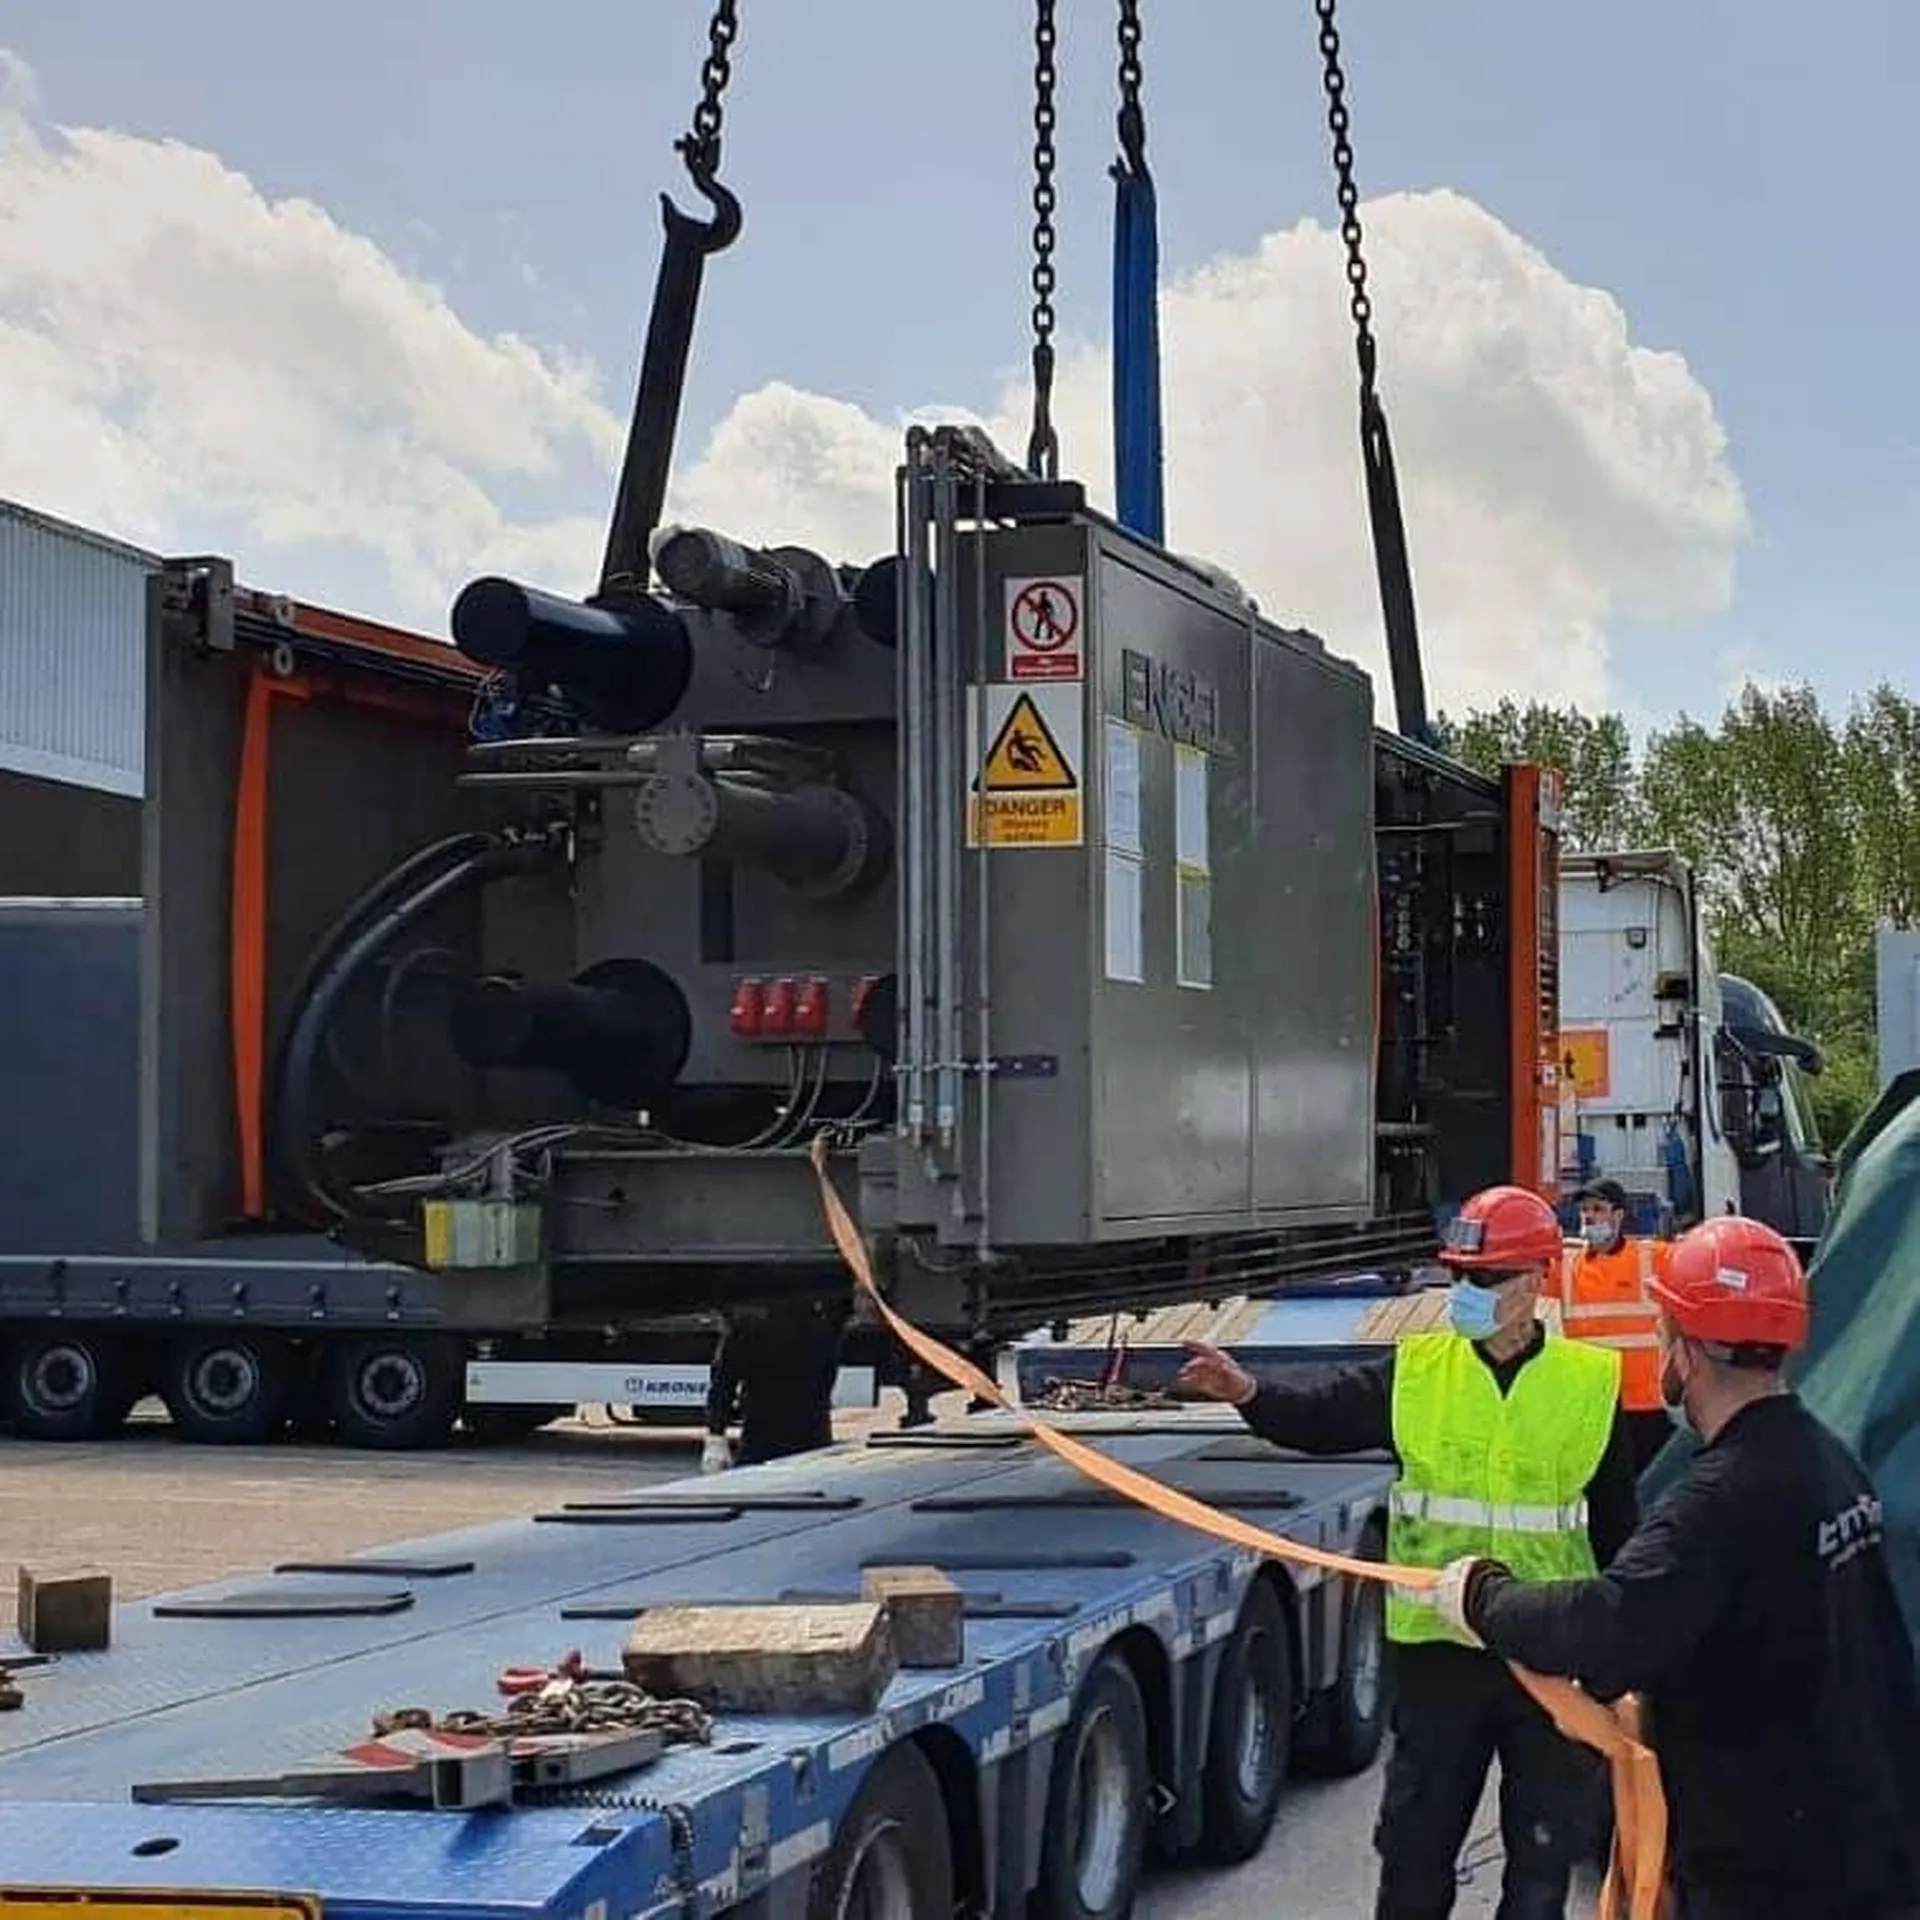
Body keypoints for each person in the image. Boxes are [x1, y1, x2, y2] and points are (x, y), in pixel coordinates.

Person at [1437, 1214, 1920, 1918]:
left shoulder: (1719, 1501)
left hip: (1774, 1876)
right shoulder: (1827, 1460)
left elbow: (1606, 1628)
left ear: (1685, 1351)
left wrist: (1481, 1595)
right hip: (1867, 1843)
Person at [1178, 1183, 1639, 1919]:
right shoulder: (1419, 1372)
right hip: (1439, 1655)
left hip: (1548, 1658)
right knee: (1415, 1863)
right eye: (1459, 1276)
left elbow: (1618, 1532)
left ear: (1534, 1280)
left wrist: (1619, 1670)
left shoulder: (1587, 1385)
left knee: (1541, 1871)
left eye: (1484, 1278)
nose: (1465, 1292)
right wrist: (1248, 1391)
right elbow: (1324, 1415)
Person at [1557, 1176, 1672, 1473]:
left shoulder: (1652, 1257)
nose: (1589, 1216)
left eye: (1598, 1209)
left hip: (1648, 1408)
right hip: (1595, 1407)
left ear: (1618, 1215)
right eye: (1585, 1210)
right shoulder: (1567, 1266)